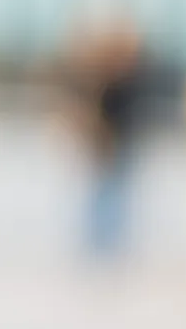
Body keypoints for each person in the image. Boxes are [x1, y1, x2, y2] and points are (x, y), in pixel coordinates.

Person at [61, 16, 149, 260]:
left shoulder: (124, 80)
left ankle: (108, 246)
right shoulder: (106, 80)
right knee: (103, 197)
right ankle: (100, 246)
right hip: (106, 146)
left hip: (118, 146)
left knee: (112, 197)